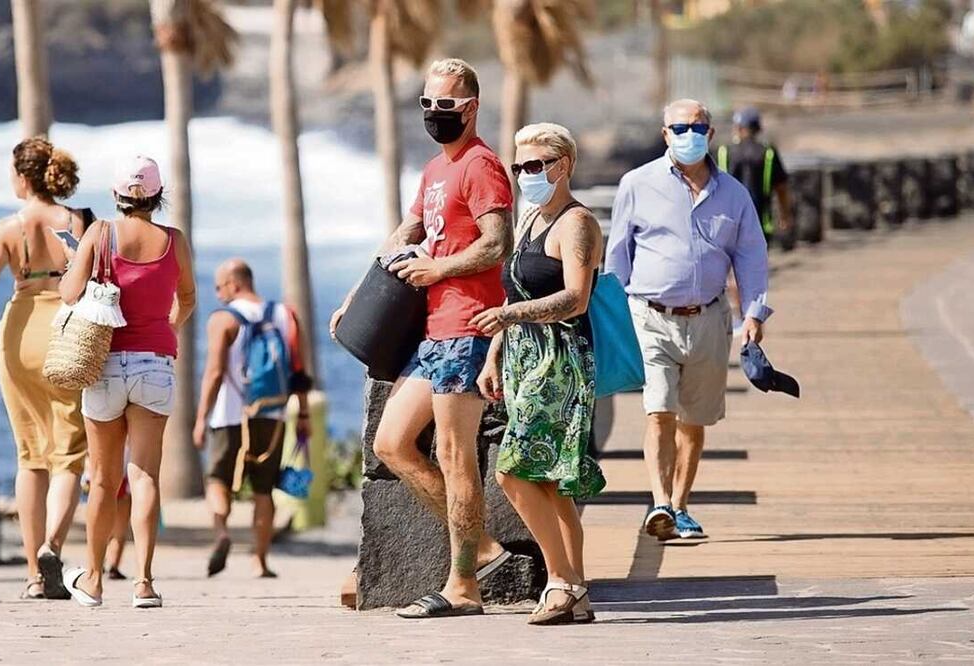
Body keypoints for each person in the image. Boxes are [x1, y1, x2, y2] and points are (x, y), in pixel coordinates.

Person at [329, 58, 514, 619]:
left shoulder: (482, 166)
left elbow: (496, 243)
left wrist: (441, 269)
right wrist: (358, 295)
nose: (435, 114)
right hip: (432, 332)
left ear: (471, 108)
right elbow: (410, 233)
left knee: (457, 456)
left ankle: (463, 588)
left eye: (446, 105)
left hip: (466, 326)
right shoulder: (436, 170)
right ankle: (481, 550)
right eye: (427, 104)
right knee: (391, 443)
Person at [606, 99, 772, 542]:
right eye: (679, 128)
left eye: (697, 127)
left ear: (711, 134)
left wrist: (754, 313)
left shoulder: (734, 195)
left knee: (694, 420)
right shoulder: (636, 184)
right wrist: (612, 317)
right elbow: (617, 257)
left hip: (710, 318)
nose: (688, 135)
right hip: (650, 315)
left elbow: (751, 256)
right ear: (665, 134)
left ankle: (680, 504)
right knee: (659, 410)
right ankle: (659, 503)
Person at [471, 123, 605, 625]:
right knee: (549, 483)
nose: (526, 174)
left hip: (562, 360)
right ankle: (577, 590)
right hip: (525, 358)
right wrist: (494, 354)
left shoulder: (577, 224)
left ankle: (559, 580)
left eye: (535, 165)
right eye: (519, 166)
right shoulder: (529, 220)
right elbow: (515, 295)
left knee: (512, 471)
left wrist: (508, 319)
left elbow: (577, 297)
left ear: (563, 165)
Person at [60, 156, 196, 608]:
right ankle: (144, 583)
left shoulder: (100, 234)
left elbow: (68, 293)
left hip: (105, 363)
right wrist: (166, 330)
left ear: (116, 194)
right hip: (154, 364)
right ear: (158, 195)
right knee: (145, 475)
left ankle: (95, 580)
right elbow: (189, 296)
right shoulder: (174, 240)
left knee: (102, 480)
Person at [0, 137, 89, 601]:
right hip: (68, 332)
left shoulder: (9, 229)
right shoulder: (80, 222)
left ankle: (35, 573)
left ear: (21, 177)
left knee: (30, 456)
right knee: (70, 455)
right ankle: (53, 545)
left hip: (18, 337)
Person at [193, 259, 312, 579]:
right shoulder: (285, 315)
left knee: (217, 481)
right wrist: (302, 414)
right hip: (271, 416)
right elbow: (299, 371)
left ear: (234, 284)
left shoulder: (223, 319)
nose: (218, 295)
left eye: (219, 287)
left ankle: (222, 534)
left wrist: (201, 417)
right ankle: (259, 562)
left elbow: (215, 373)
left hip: (229, 416)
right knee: (264, 490)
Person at [715, 106, 794, 251]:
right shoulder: (768, 153)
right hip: (760, 223)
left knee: (729, 270)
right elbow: (781, 187)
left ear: (738, 128)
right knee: (755, 269)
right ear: (758, 128)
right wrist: (785, 214)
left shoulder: (724, 152)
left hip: (727, 225)